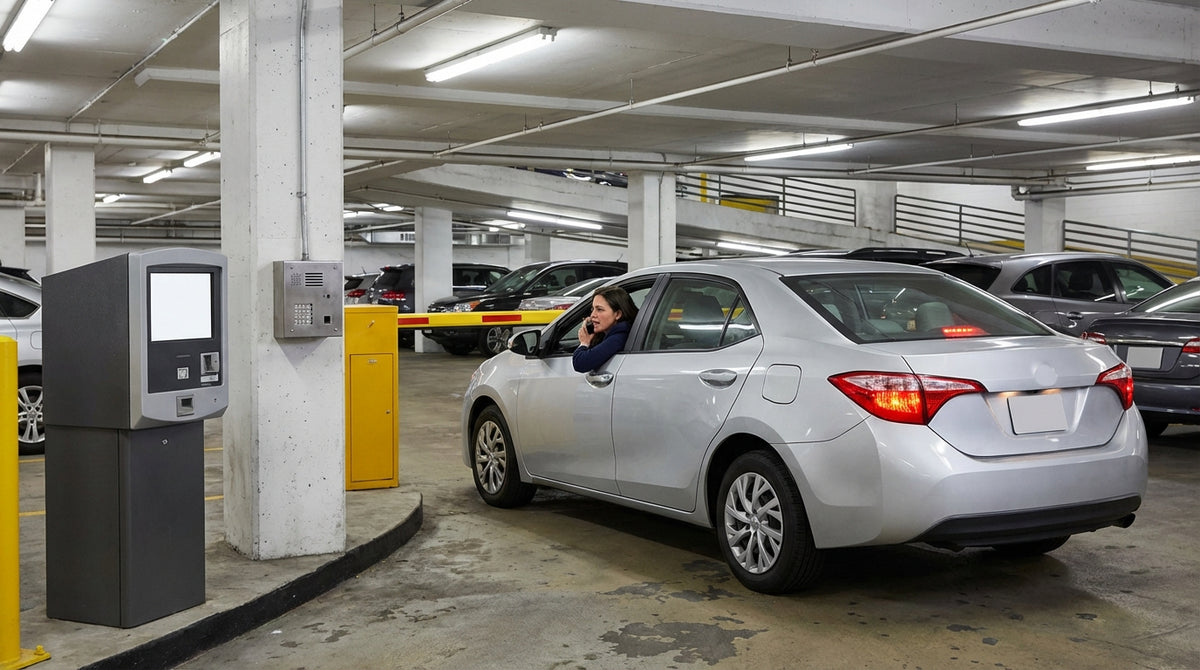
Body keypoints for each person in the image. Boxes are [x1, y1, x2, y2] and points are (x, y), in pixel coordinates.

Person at [573, 286, 637, 372]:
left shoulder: (619, 337)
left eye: (599, 309)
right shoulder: (610, 334)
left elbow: (580, 363)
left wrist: (584, 343)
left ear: (617, 314)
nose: (592, 315)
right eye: (593, 309)